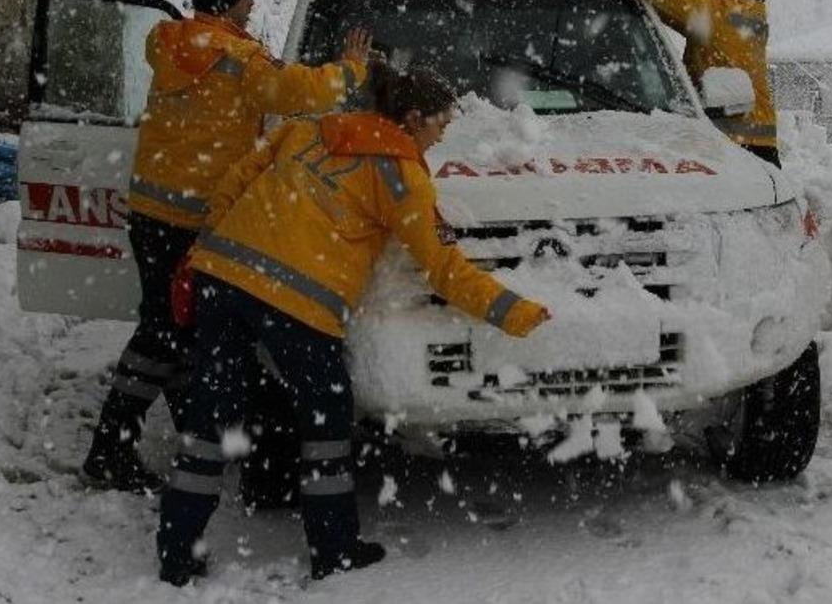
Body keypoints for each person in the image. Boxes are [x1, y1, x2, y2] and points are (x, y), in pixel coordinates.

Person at [156, 59, 550, 585]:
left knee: (210, 415)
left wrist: (207, 245)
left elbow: (236, 178)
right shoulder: (401, 176)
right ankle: (334, 548)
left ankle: (178, 553)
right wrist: (514, 311)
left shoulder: (309, 127)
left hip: (222, 278)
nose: (445, 132)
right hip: (296, 300)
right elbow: (444, 268)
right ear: (412, 119)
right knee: (326, 415)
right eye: (441, 123)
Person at [81, 0, 371, 493]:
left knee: (176, 324)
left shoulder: (167, 42)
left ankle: (196, 431)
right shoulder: (240, 60)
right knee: (166, 332)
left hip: (151, 212)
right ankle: (111, 449)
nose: (253, 4)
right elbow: (303, 92)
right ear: (230, 1)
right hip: (198, 219)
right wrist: (353, 69)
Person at [574, 0, 781, 167]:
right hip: (760, 140)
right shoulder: (751, 20)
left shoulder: (719, 14)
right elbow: (667, 4)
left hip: (735, 143)